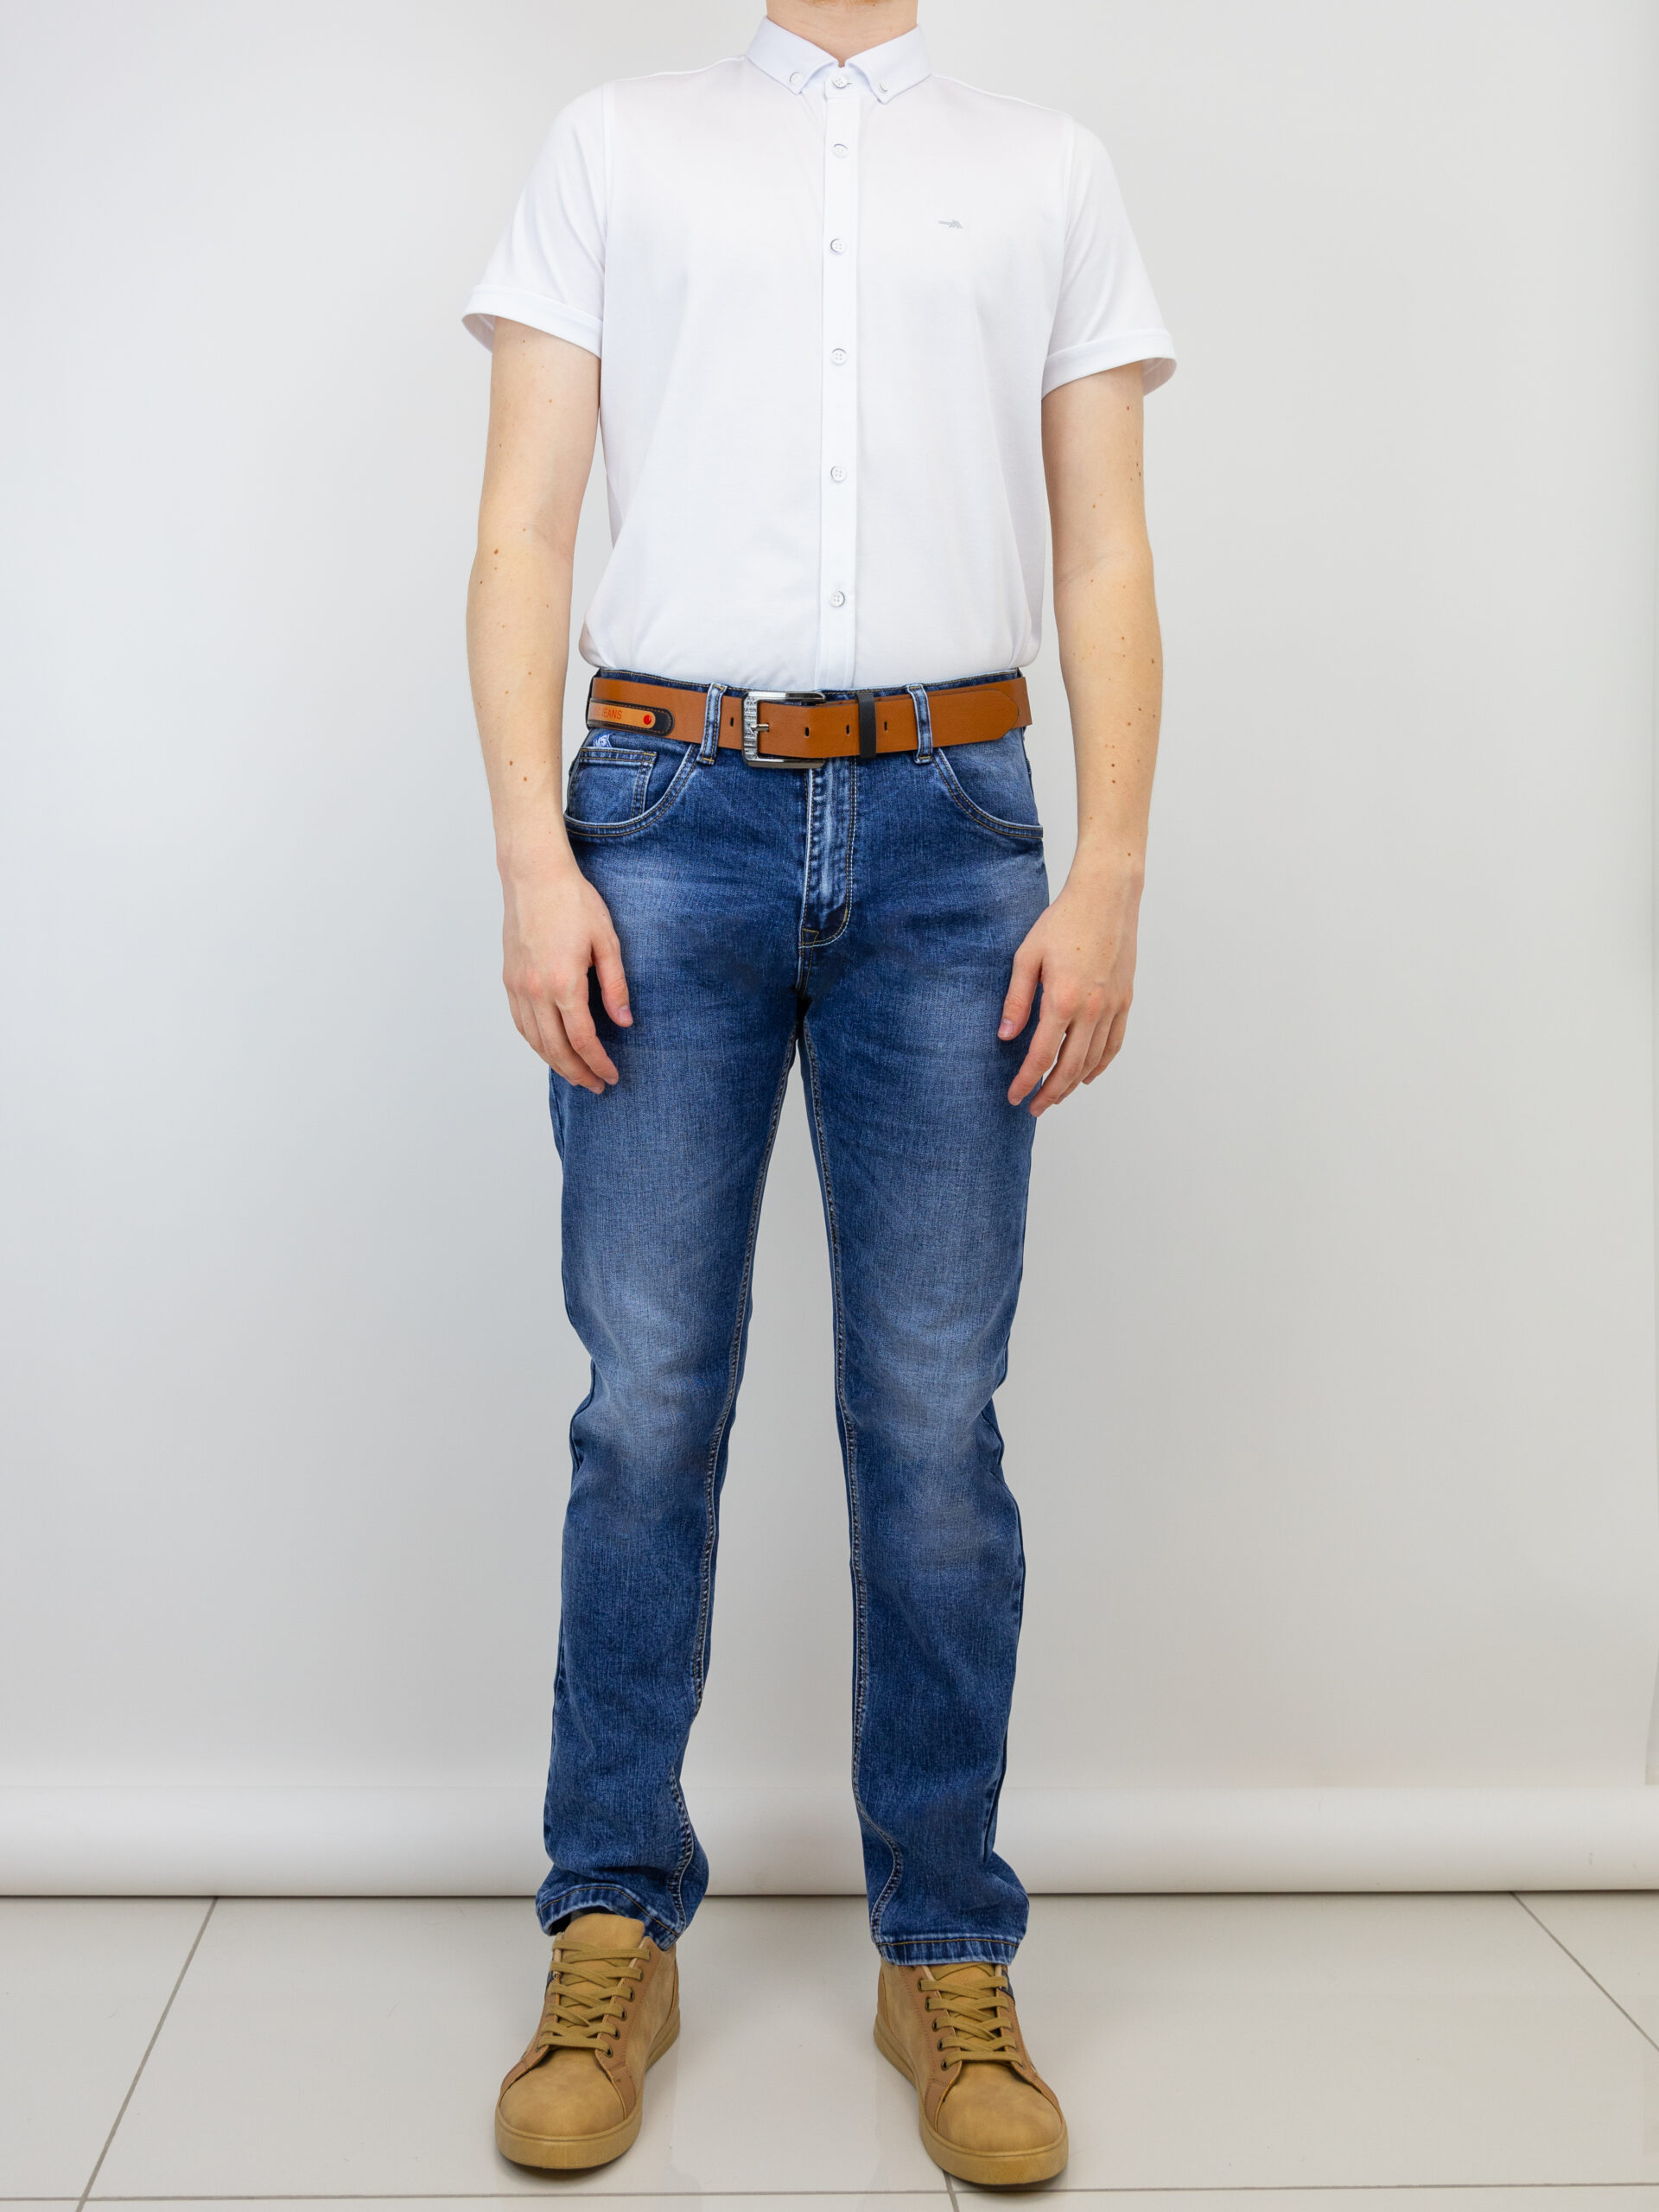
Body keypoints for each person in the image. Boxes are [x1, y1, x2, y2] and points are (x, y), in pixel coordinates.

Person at [462, 0, 1173, 2185]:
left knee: (934, 1420)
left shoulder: (1046, 164)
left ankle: (943, 1944)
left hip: (960, 835)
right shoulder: (615, 142)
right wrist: (533, 857)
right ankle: (610, 1922)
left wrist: (1111, 873)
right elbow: (525, 531)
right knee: (646, 1402)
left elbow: (1104, 554)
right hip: (662, 817)